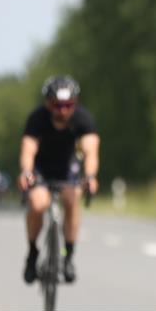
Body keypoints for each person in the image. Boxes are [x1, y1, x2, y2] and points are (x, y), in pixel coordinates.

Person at [18, 75, 100, 284]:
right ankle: (33, 253)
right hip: (42, 169)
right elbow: (28, 150)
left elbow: (91, 151)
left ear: (75, 103)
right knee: (37, 204)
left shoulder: (83, 119)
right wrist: (26, 172)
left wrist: (90, 177)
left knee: (72, 199)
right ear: (48, 103)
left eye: (68, 105)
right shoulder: (37, 118)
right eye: (57, 105)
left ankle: (68, 256)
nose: (62, 110)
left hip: (67, 169)